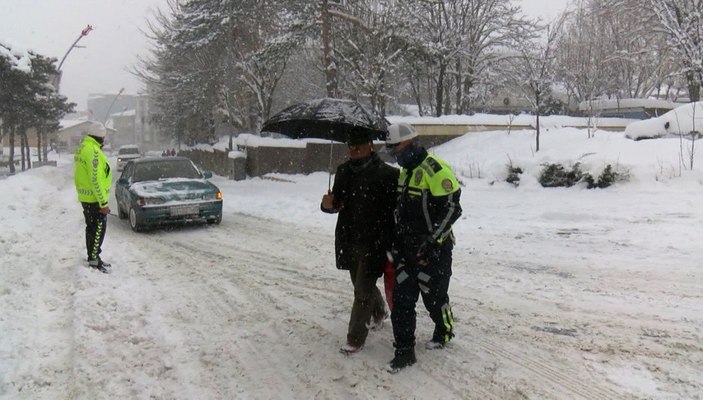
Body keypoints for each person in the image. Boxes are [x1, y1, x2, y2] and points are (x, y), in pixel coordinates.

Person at [384, 122, 462, 373]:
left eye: (396, 148)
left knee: (434, 297)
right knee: (402, 300)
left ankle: (444, 329)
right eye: (391, 150)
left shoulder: (435, 169)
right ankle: (404, 351)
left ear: (409, 143)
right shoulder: (405, 172)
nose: (394, 154)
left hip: (434, 250)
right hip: (406, 250)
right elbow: (400, 212)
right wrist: (395, 242)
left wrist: (433, 242)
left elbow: (452, 208)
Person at [321, 128, 399, 355]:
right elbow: (337, 203)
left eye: (358, 147)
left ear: (370, 146)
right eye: (350, 148)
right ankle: (379, 312)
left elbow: (397, 211)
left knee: (362, 291)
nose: (353, 151)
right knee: (358, 283)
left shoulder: (388, 174)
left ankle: (355, 338)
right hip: (348, 237)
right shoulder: (344, 171)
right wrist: (328, 205)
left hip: (374, 242)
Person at [74, 121, 113, 273]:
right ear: (100, 137)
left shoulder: (83, 147)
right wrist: (103, 203)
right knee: (98, 229)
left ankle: (93, 256)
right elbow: (95, 179)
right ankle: (94, 260)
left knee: (91, 228)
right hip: (95, 199)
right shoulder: (93, 151)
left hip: (86, 197)